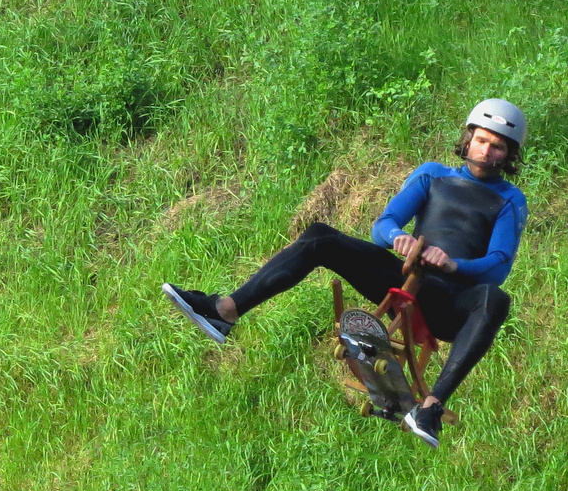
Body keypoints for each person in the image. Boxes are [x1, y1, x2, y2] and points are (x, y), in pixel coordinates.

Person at [163, 99, 528, 448]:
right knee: (321, 237)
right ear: (468, 139)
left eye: (497, 147)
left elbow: (498, 265)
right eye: (481, 140)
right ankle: (224, 310)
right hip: (405, 276)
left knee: (495, 299)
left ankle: (429, 409)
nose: (486, 151)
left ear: (509, 155)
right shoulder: (433, 175)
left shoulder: (511, 199)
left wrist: (453, 264)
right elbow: (382, 225)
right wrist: (398, 237)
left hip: (448, 303)